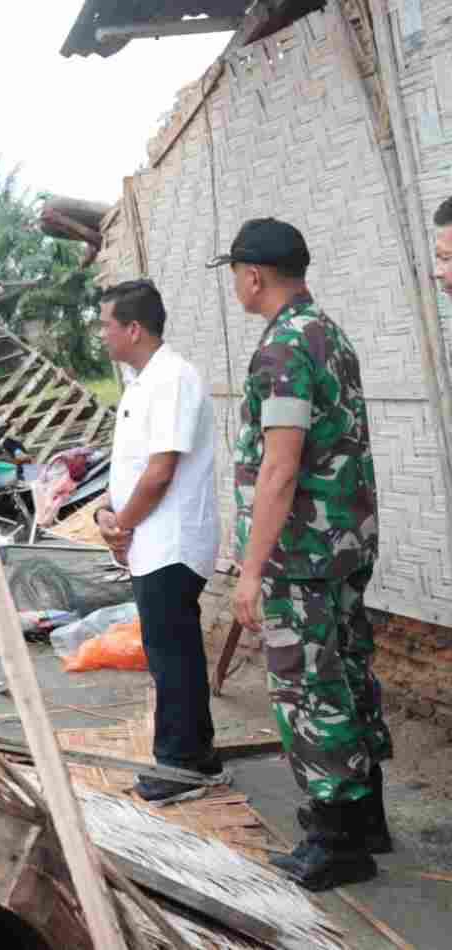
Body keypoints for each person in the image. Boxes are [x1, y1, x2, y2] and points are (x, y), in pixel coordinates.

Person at [212, 217, 390, 890]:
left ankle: (335, 840)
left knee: (308, 690)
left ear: (252, 276)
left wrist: (249, 570)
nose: (234, 284)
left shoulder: (283, 348)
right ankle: (365, 820)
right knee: (346, 676)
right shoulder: (327, 333)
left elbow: (279, 468)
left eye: (234, 274)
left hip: (303, 555)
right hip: (342, 545)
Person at [94, 279, 223, 805]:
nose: (100, 334)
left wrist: (121, 524)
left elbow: (160, 470)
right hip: (148, 539)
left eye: (105, 324)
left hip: (170, 540)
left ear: (133, 328)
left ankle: (181, 764)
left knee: (173, 656)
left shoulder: (172, 378)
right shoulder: (140, 381)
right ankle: (199, 754)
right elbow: (128, 467)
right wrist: (108, 513)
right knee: (168, 651)